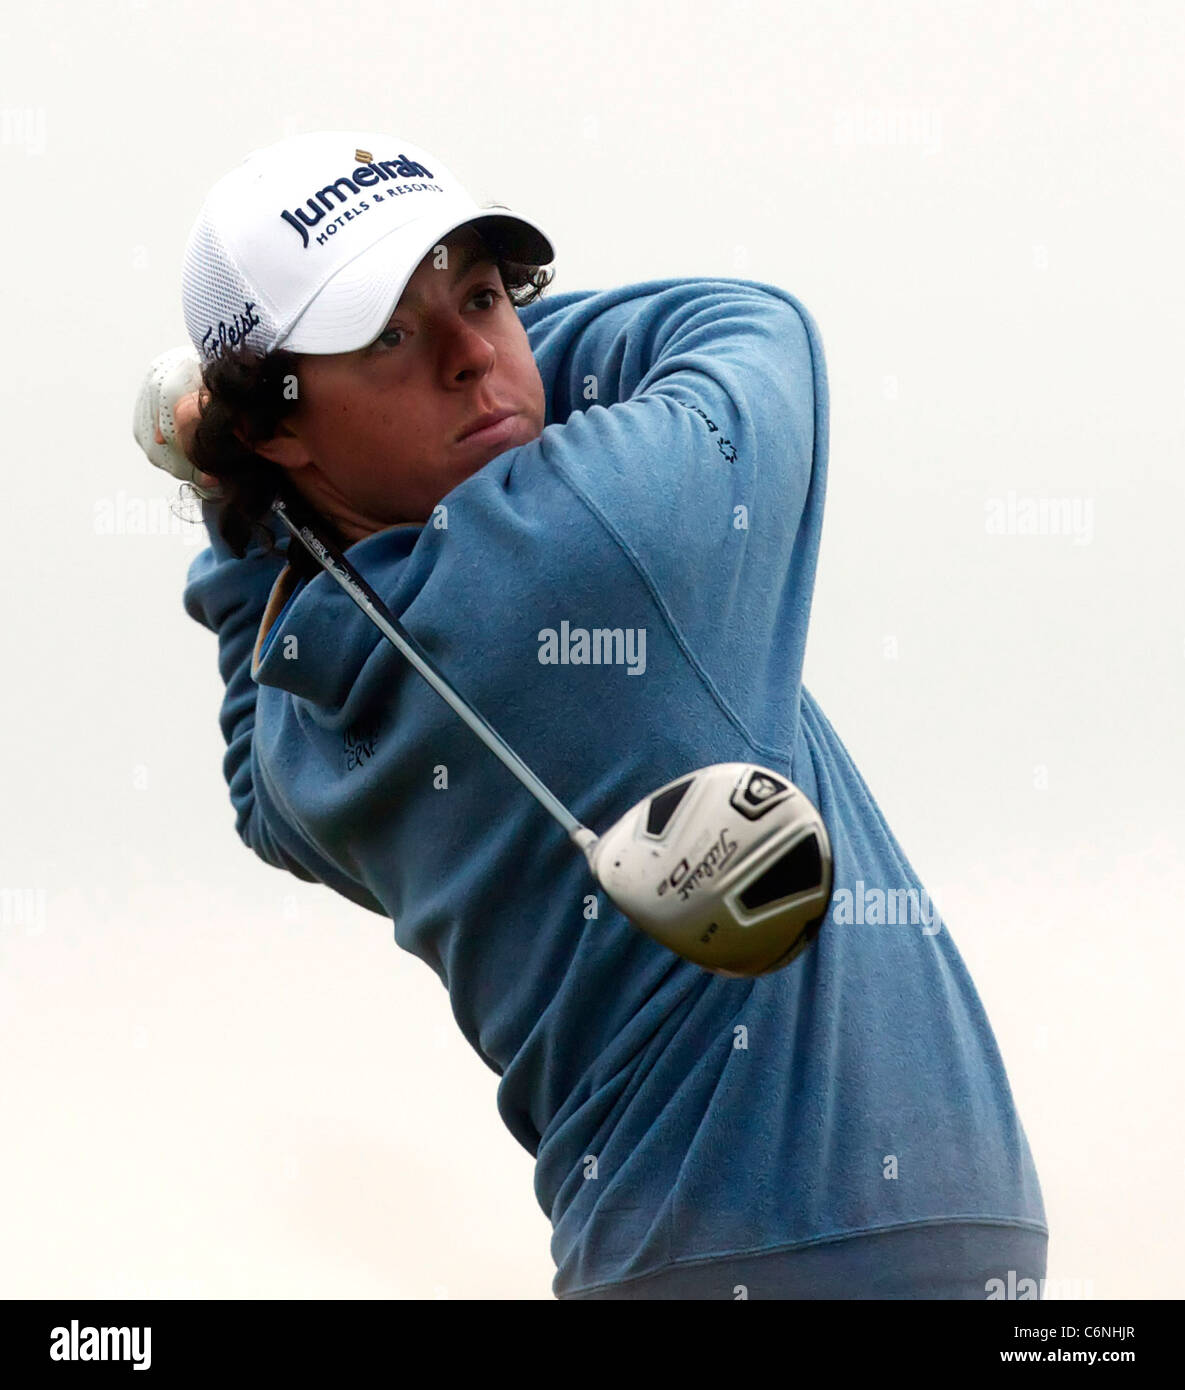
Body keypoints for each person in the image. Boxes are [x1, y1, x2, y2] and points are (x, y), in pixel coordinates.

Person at [134, 129, 1049, 1300]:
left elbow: (251, 780)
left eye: (484, 297)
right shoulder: (591, 537)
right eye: (393, 335)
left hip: (670, 1259)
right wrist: (516, 364)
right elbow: (752, 325)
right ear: (278, 418)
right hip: (841, 1255)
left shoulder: (306, 737)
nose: (473, 356)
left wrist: (236, 480)